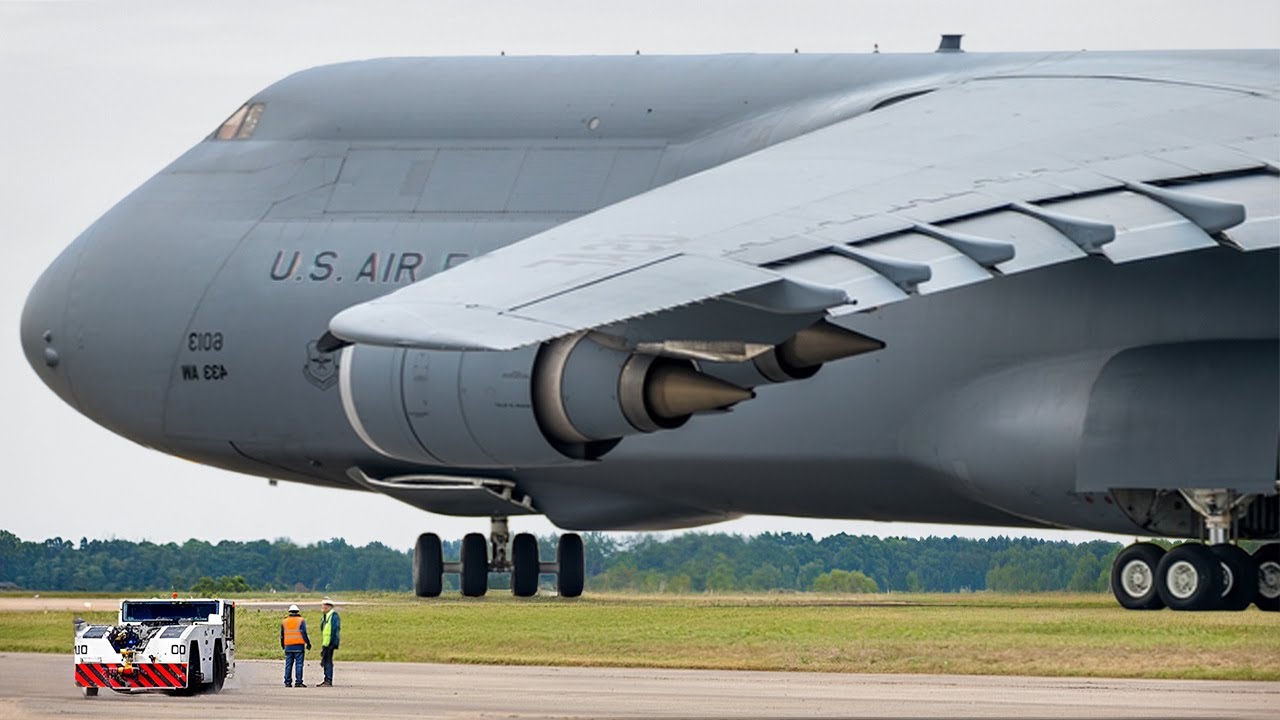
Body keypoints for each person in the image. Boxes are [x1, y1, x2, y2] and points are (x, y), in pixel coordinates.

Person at [280, 604, 311, 687]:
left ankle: (287, 682)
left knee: (288, 664)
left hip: (288, 646)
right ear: (298, 611)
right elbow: (303, 633)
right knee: (299, 664)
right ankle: (298, 682)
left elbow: (282, 635)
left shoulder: (284, 621)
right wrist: (308, 643)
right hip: (299, 646)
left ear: (289, 612)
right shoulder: (301, 620)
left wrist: (283, 645)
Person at [317, 597, 341, 687]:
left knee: (327, 661)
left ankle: (328, 680)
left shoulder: (333, 616)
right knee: (325, 660)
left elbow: (335, 629)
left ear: (328, 606)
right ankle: (326, 679)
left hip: (330, 642)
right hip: (326, 642)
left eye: (324, 605)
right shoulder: (326, 616)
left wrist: (333, 642)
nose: (322, 607)